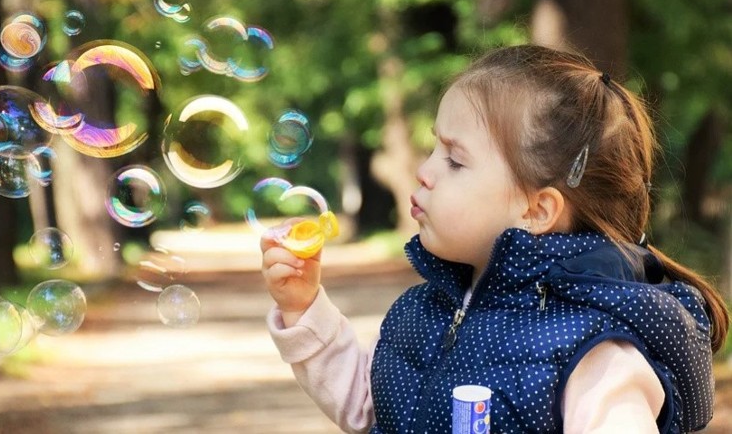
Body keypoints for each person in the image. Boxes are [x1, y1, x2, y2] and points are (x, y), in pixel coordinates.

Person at [260, 44, 729, 433]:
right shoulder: (425, 311)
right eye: (432, 147)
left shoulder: (593, 351)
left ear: (536, 210)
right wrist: (305, 310)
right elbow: (371, 407)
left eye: (455, 160)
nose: (423, 173)